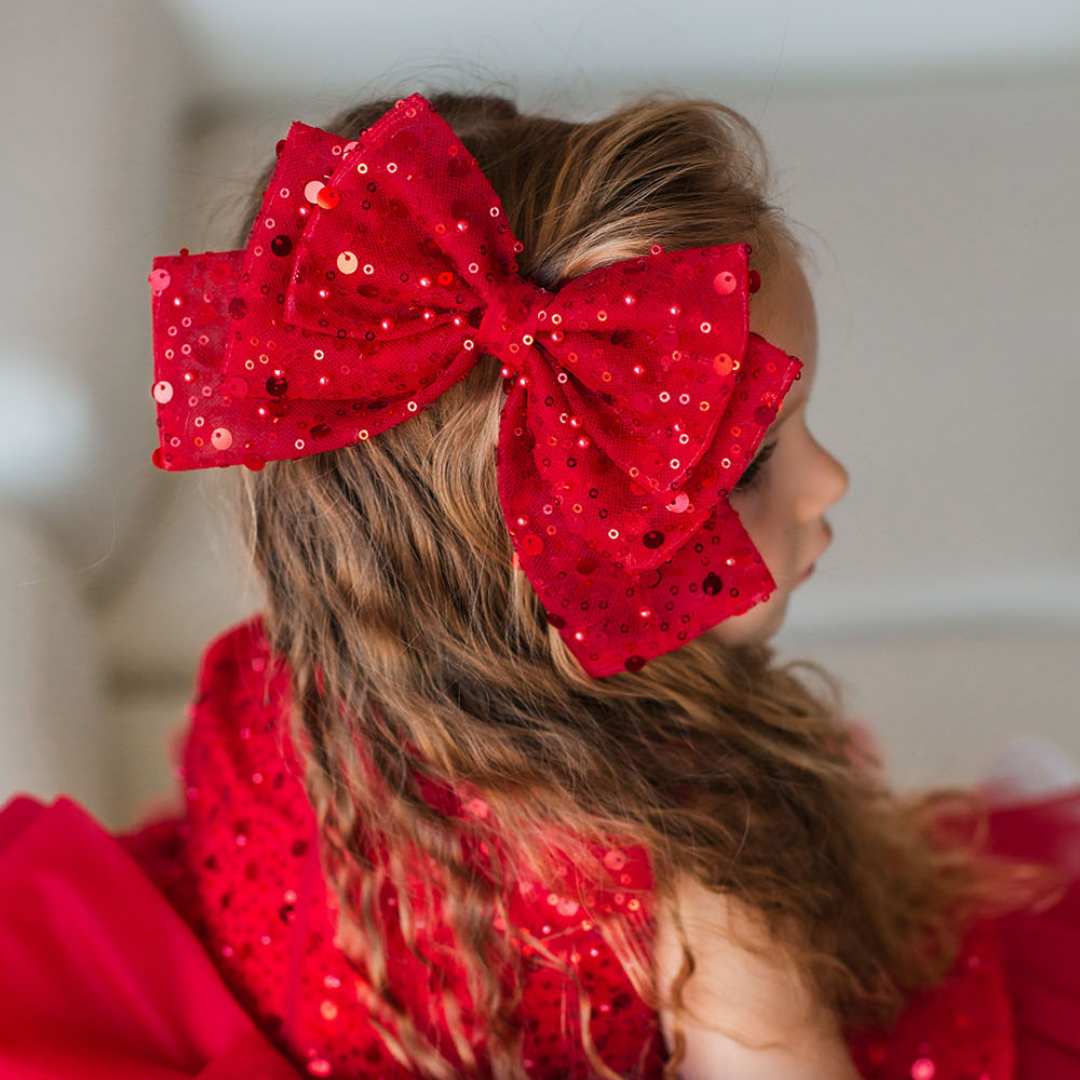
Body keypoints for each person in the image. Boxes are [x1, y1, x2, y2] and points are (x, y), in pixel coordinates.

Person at [1, 87, 1078, 1080]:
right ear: (567, 560)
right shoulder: (711, 867)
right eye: (753, 464)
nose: (829, 480)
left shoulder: (289, 687)